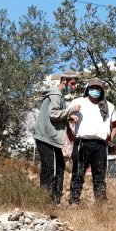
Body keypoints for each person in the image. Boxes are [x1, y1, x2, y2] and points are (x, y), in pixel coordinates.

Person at [67, 78, 116, 204]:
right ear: (87, 88)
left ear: (101, 90)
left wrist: (110, 139)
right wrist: (71, 135)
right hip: (82, 142)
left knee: (99, 176)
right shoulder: (77, 102)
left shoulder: (109, 106)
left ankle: (101, 203)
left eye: (98, 88)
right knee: (78, 173)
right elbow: (66, 118)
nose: (95, 90)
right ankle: (74, 201)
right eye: (92, 87)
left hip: (101, 145)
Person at [33, 72, 81, 204]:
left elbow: (57, 114)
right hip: (46, 137)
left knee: (59, 166)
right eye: (72, 83)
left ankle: (54, 200)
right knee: (49, 168)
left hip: (50, 138)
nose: (73, 87)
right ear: (64, 81)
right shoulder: (56, 93)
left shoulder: (59, 96)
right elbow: (53, 114)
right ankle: (45, 201)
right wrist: (71, 110)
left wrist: (68, 117)